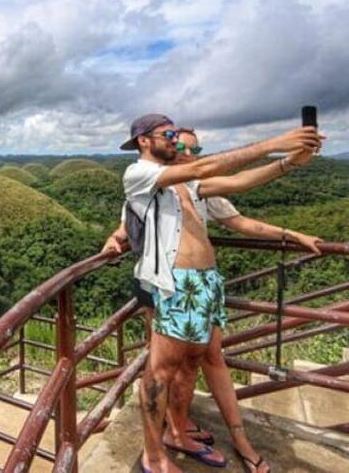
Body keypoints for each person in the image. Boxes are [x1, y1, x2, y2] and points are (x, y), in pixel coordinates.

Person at [104, 126, 323, 465]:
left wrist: (289, 163)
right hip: (172, 282)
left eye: (190, 145)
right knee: (162, 368)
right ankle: (154, 455)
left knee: (192, 362)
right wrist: (276, 144)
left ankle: (178, 429)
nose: (186, 150)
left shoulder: (190, 185)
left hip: (206, 281)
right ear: (146, 142)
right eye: (174, 140)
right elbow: (138, 211)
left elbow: (239, 183)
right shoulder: (140, 174)